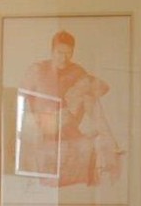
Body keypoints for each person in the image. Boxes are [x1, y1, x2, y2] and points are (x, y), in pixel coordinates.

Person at [12, 28, 124, 191]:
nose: (64, 58)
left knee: (88, 97)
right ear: (52, 51)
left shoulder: (77, 71)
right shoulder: (36, 70)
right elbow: (20, 102)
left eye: (68, 53)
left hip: (67, 125)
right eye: (59, 52)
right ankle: (111, 142)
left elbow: (104, 88)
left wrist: (77, 90)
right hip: (42, 124)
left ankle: (110, 142)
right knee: (84, 94)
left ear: (73, 52)